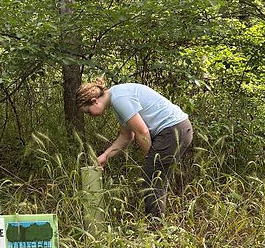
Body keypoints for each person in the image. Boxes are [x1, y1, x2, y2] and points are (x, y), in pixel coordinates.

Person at [77, 78, 193, 220]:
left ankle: (155, 228)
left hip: (173, 129)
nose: (90, 116)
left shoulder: (119, 99)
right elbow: (126, 136)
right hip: (176, 130)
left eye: (88, 112)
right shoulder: (116, 99)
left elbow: (142, 132)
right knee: (156, 178)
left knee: (152, 177)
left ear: (95, 101)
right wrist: (105, 156)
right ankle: (157, 225)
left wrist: (149, 158)